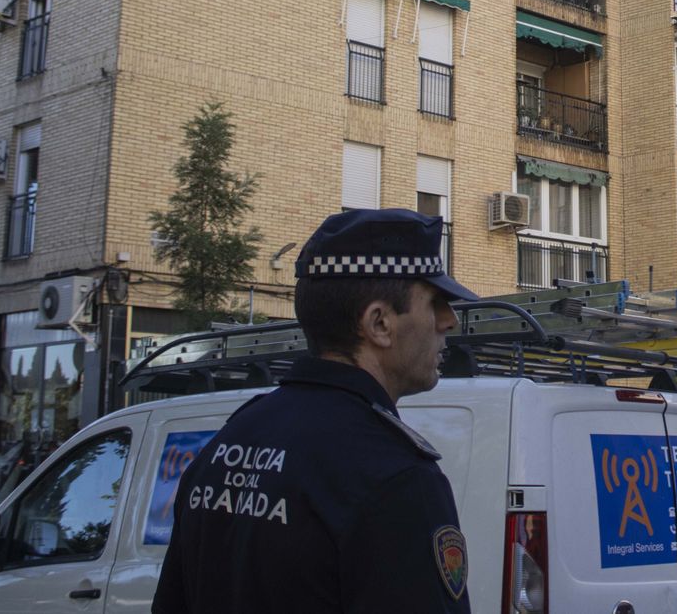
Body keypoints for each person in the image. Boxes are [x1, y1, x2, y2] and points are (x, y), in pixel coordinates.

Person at [153, 208, 479, 614]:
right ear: (379, 323)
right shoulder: (396, 477)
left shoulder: (229, 440)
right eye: (434, 302)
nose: (449, 320)